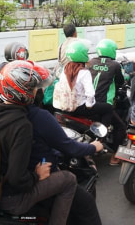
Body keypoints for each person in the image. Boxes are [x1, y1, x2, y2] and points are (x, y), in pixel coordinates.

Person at [0, 61, 77, 225]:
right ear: (22, 92)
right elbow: (17, 178)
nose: (37, 90)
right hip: (12, 199)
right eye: (33, 88)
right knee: (69, 179)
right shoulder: (22, 124)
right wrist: (37, 175)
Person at [27, 72, 104, 225]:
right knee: (85, 201)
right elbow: (70, 147)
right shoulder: (38, 116)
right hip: (37, 175)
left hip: (19, 175)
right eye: (37, 88)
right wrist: (93, 147)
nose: (40, 91)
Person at [63, 40, 125, 164]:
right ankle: (112, 155)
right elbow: (120, 81)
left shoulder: (90, 63)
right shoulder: (115, 65)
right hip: (99, 103)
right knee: (120, 126)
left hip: (79, 102)